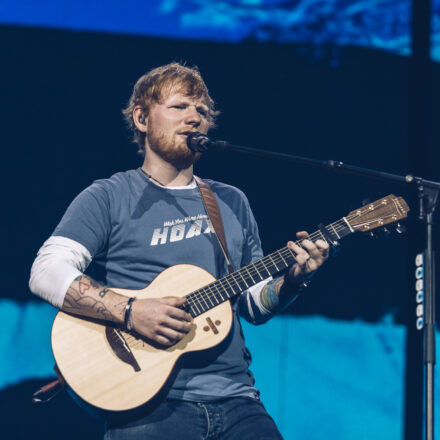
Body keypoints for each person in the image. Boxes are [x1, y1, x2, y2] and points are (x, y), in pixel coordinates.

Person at [29, 62, 329, 439]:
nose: (195, 118)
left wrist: (294, 281)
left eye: (202, 112)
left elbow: (254, 304)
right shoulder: (109, 196)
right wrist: (131, 311)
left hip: (237, 399)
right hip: (148, 404)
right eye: (180, 107)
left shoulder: (230, 201)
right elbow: (47, 270)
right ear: (141, 118)